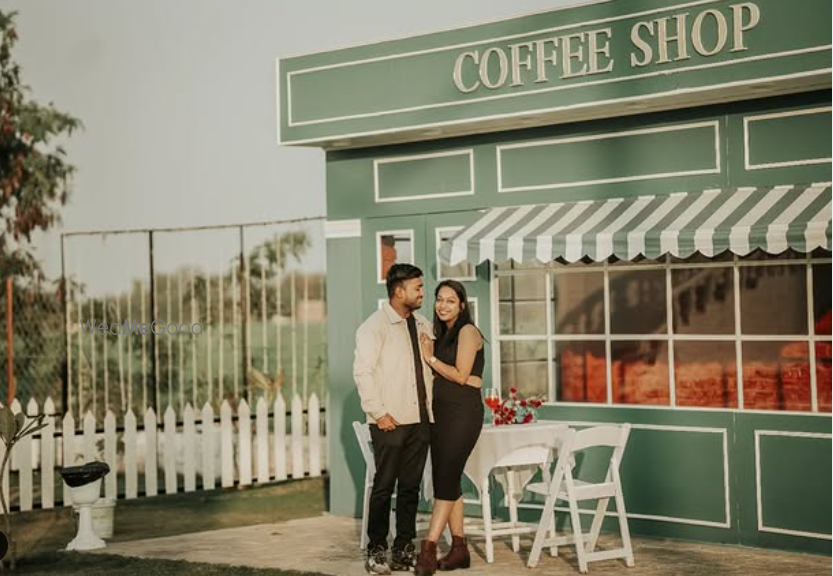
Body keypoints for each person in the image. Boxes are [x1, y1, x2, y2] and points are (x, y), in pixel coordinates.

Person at [354, 263, 435, 575]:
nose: (422, 292)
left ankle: (403, 549)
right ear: (399, 291)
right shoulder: (373, 327)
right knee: (384, 486)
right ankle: (377, 550)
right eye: (417, 287)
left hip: (421, 420)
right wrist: (378, 413)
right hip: (390, 420)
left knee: (411, 487)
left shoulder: (423, 323)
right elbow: (363, 372)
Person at [414, 280, 485, 575]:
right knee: (448, 477)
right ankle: (459, 550)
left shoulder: (468, 331)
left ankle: (428, 549)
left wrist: (430, 358)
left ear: (462, 305)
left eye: (450, 301)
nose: (443, 305)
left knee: (446, 478)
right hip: (441, 414)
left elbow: (460, 375)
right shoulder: (442, 334)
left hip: (463, 414)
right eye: (439, 299)